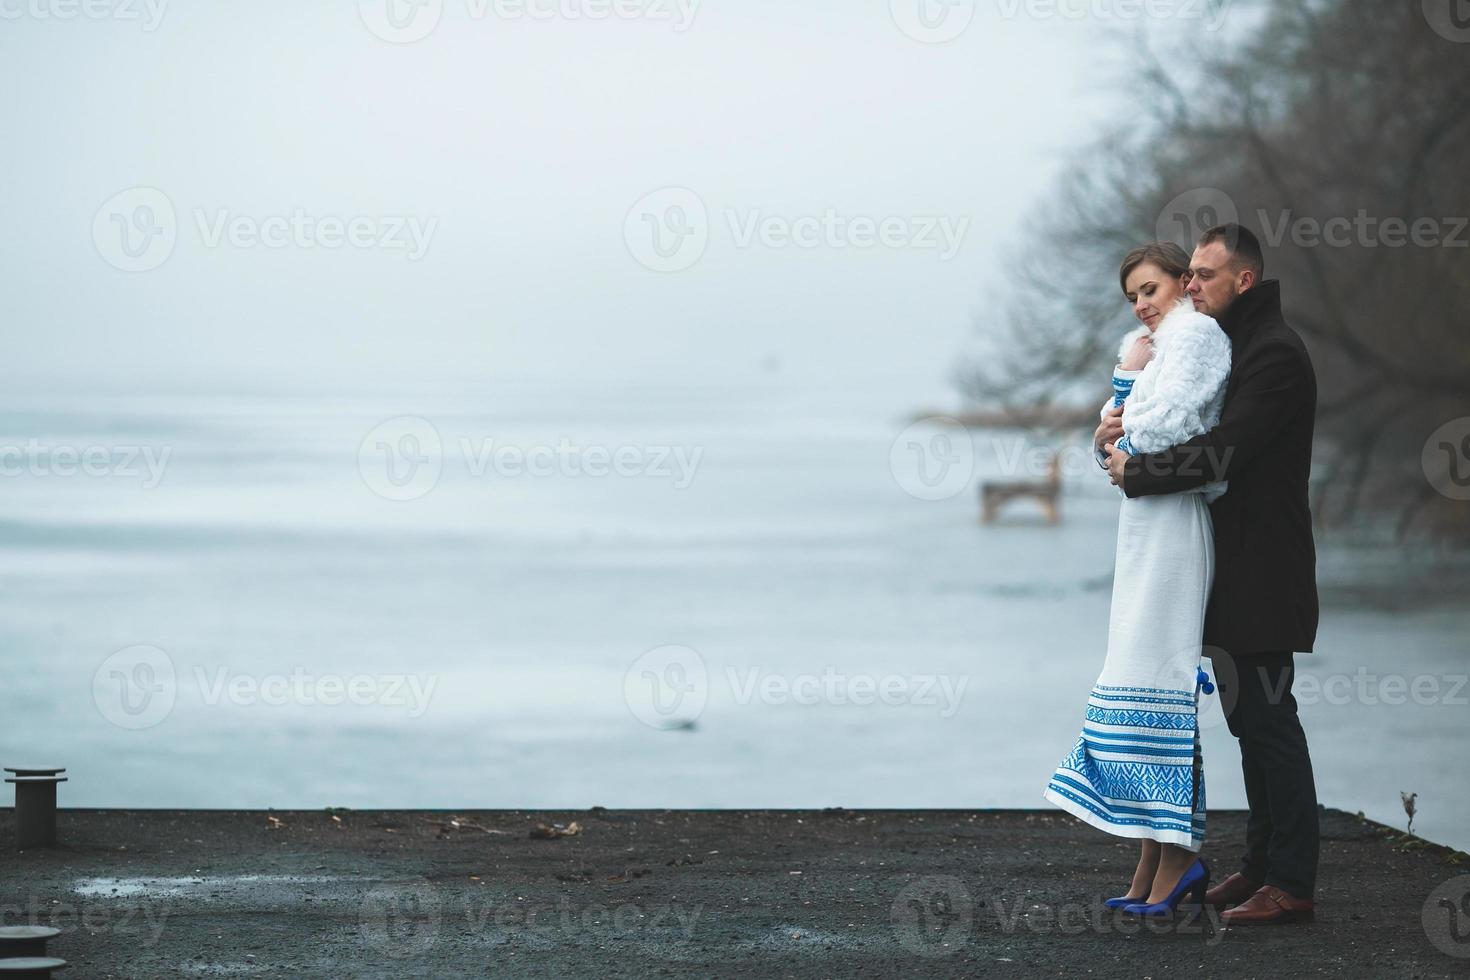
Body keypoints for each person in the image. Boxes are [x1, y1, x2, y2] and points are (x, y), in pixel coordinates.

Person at [1102, 224, 1321, 926]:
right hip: (1233, 570)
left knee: (1270, 724)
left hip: (1265, 569)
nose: (1189, 284)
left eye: (1202, 275)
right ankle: (1260, 868)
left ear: (1243, 281)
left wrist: (1137, 472)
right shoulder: (1238, 345)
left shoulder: (1276, 355)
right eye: (1188, 274)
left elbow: (1224, 451)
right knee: (1246, 725)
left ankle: (1290, 883)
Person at [1044, 240, 1231, 918]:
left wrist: (1120, 426)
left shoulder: (1200, 337)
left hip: (1178, 521)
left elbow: (1175, 424)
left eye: (1151, 289)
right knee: (1133, 669)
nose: (1143, 304)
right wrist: (1112, 424)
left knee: (1162, 671)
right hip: (1143, 521)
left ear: (1182, 283)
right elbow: (1112, 439)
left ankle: (1177, 851)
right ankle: (1154, 848)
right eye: (1133, 296)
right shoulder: (1150, 345)